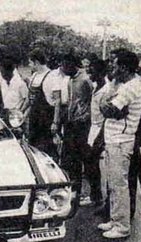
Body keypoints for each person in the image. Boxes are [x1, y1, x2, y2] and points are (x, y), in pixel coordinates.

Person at [98, 50, 141, 239]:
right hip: (115, 139)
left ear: (124, 67)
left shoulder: (129, 87)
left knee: (119, 184)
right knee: (113, 183)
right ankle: (115, 218)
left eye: (116, 65)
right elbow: (112, 108)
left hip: (120, 140)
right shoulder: (125, 84)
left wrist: (105, 102)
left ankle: (122, 226)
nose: (113, 68)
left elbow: (109, 110)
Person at [51, 53, 92, 201]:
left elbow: (89, 104)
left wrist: (83, 119)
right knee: (70, 159)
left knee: (80, 158)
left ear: (72, 65)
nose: (62, 68)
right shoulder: (69, 80)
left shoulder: (85, 80)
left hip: (82, 125)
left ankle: (86, 192)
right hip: (70, 123)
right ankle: (74, 190)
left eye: (64, 65)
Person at [25, 49, 57, 158]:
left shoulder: (51, 76)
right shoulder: (34, 76)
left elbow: (57, 101)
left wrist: (55, 122)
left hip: (45, 117)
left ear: (37, 62)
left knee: (45, 149)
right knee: (32, 147)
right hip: (34, 116)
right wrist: (22, 113)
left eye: (30, 62)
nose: (29, 65)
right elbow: (30, 99)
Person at [86, 58, 109, 208]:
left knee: (94, 163)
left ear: (100, 73)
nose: (89, 73)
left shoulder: (106, 91)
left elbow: (106, 117)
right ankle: (95, 196)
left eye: (92, 71)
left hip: (101, 130)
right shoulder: (96, 87)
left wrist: (100, 137)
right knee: (90, 164)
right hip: (93, 129)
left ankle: (98, 197)